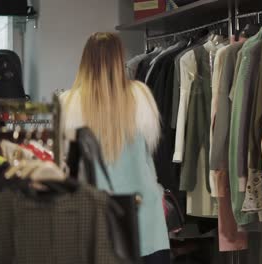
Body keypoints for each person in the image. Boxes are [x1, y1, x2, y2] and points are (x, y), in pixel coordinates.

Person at [60, 32, 171, 263]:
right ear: (119, 59)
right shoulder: (141, 97)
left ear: (85, 60)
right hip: (143, 219)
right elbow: (149, 158)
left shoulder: (68, 103)